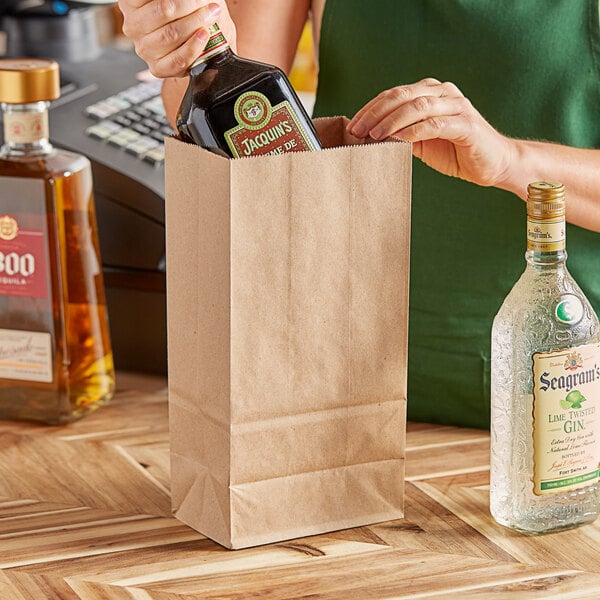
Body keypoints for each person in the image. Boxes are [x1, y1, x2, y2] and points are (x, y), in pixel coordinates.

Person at [118, 0, 600, 428]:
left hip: (559, 390)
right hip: (335, 376)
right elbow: (228, 109)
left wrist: (511, 161)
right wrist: (184, 40)